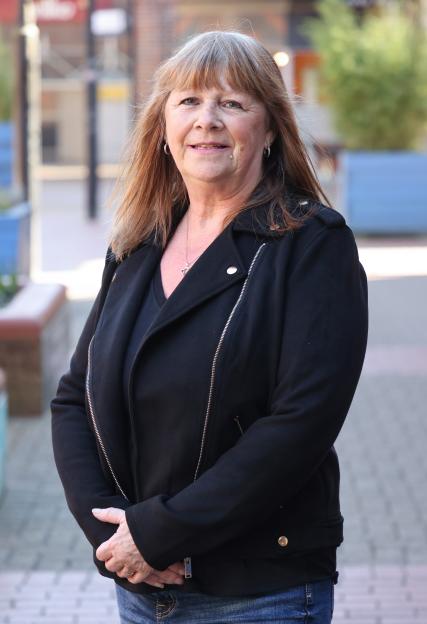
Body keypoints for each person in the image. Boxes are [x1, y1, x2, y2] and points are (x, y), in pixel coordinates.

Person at [51, 30, 368, 624]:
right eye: (189, 101)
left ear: (270, 129)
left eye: (233, 103)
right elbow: (75, 397)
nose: (208, 120)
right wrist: (115, 536)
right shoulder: (138, 246)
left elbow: (301, 423)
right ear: (163, 129)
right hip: (142, 588)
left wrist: (159, 533)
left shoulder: (312, 245)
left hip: (258, 594)